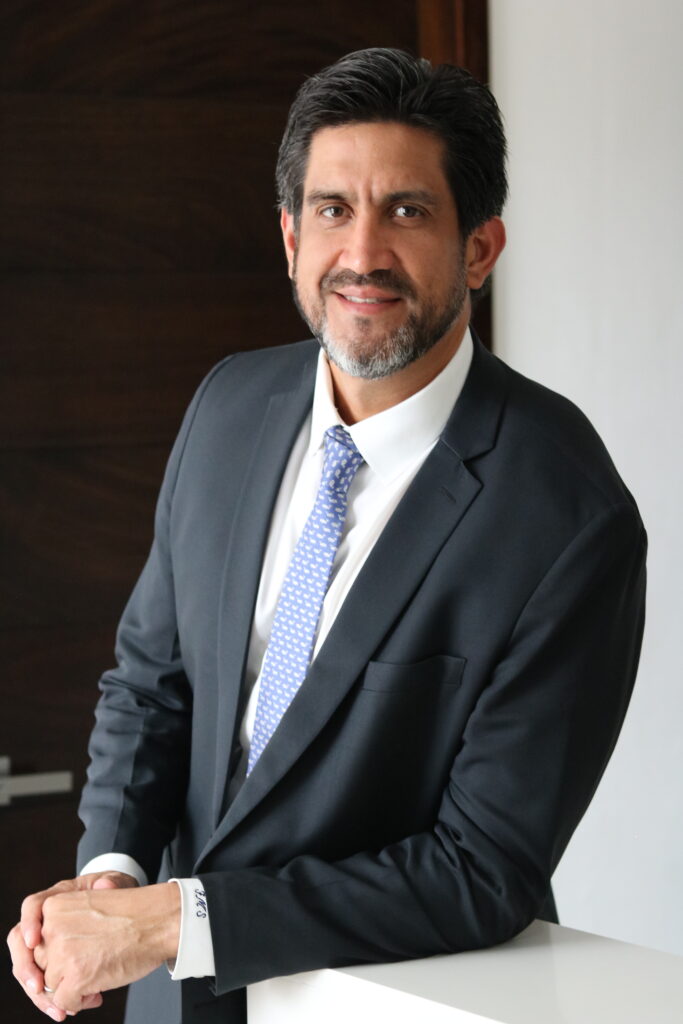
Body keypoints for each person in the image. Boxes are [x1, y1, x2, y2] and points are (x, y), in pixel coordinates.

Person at [8, 47, 646, 1024]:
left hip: (388, 1000)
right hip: (167, 992)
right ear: (289, 235)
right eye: (332, 209)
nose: (362, 253)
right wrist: (111, 878)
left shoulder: (567, 514)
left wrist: (179, 920)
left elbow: (481, 870)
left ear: (479, 248)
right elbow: (151, 681)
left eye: (407, 210)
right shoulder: (228, 403)